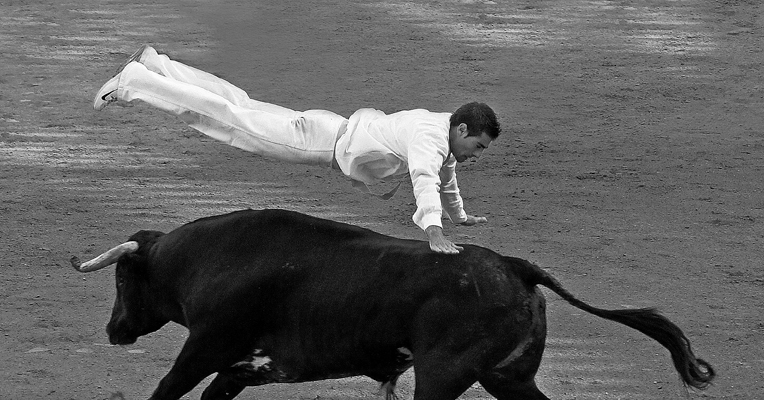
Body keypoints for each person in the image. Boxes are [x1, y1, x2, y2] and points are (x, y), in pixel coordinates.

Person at [93, 45, 501, 254]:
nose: (476, 155)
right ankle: (137, 82)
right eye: (477, 146)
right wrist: (434, 233)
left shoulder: (443, 130)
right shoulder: (431, 139)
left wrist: (459, 216)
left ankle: (156, 63)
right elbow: (426, 179)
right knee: (229, 119)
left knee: (238, 104)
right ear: (462, 128)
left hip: (329, 129)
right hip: (319, 142)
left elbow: (446, 177)